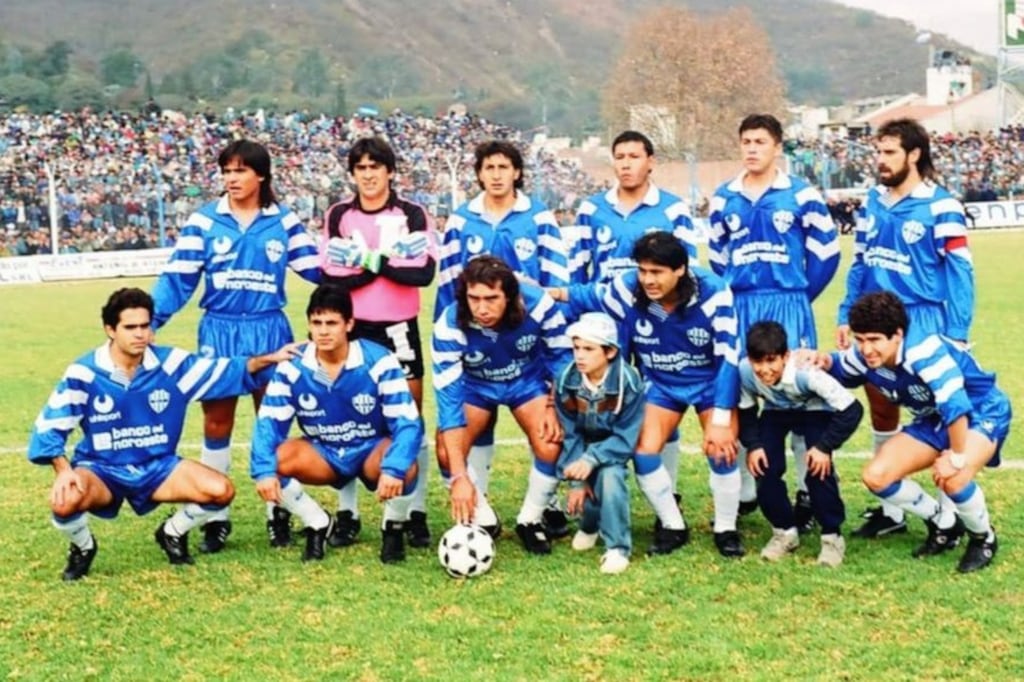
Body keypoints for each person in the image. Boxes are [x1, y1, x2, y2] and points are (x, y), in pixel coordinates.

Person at [27, 288, 298, 581]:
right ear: (110, 330)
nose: (140, 334)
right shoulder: (85, 372)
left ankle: (171, 532)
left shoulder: (170, 365)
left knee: (221, 491)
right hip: (102, 469)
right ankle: (83, 547)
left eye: (145, 326)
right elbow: (49, 426)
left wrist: (271, 358)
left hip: (158, 467)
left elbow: (226, 370)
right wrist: (64, 470)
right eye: (130, 327)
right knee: (64, 501)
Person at [150, 139, 321, 553]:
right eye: (226, 171)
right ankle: (215, 514)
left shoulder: (284, 221)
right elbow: (178, 278)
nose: (231, 179)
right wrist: (151, 320)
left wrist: (367, 282)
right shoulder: (205, 221)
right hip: (220, 331)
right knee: (217, 423)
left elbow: (318, 268)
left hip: (269, 329)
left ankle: (276, 512)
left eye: (240, 171)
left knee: (273, 421)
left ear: (260, 175)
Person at [550, 231, 744, 557]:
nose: (647, 280)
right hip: (662, 384)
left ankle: (726, 528)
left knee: (721, 450)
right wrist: (547, 292)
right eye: (643, 271)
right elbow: (588, 295)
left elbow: (728, 357)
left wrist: (722, 419)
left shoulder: (713, 293)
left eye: (657, 272)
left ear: (680, 269)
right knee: (643, 452)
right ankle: (672, 525)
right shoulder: (627, 289)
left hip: (710, 382)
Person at [836, 118, 973, 539]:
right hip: (877, 324)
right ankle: (890, 513)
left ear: (914, 154)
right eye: (878, 152)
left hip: (925, 320)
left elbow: (961, 271)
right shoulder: (873, 203)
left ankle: (950, 519)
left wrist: (958, 332)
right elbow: (859, 262)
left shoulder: (941, 206)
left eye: (889, 152)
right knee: (882, 409)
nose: (880, 160)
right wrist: (846, 314)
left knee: (941, 414)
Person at [708, 113, 840, 534]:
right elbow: (715, 256)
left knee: (801, 396)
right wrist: (734, 293)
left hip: (788, 303)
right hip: (742, 304)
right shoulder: (723, 196)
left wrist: (800, 296)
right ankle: (749, 486)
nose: (751, 148)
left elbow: (827, 253)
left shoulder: (801, 194)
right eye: (746, 141)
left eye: (760, 141)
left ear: (777, 147)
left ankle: (808, 491)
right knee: (739, 390)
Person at [434, 140, 572, 538]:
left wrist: (552, 398)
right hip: (477, 364)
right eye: (488, 167)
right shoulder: (461, 221)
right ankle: (482, 511)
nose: (495, 174)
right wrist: (460, 322)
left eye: (503, 167)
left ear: (516, 173)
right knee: (455, 441)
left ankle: (541, 512)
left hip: (526, 358)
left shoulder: (540, 217)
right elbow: (448, 283)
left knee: (551, 432)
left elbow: (556, 282)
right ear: (478, 173)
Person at [567, 130, 700, 530]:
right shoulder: (591, 210)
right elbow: (577, 271)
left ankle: (669, 494)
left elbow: (687, 270)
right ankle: (600, 490)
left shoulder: (674, 210)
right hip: (610, 325)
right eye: (619, 156)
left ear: (650, 161)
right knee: (602, 404)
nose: (625, 164)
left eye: (633, 156)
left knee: (663, 402)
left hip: (659, 324)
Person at [821, 292, 1009, 573]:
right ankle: (944, 523)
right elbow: (839, 366)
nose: (866, 349)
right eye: (860, 340)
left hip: (980, 411)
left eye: (873, 340)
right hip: (935, 417)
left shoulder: (923, 351)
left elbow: (957, 407)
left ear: (898, 334)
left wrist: (956, 457)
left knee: (954, 478)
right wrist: (820, 360)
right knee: (876, 476)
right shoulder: (864, 355)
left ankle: (983, 538)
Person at [249, 285, 424, 564]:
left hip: (370, 450)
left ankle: (393, 527)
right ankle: (317, 521)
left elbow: (408, 422)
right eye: (316, 323)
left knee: (406, 464)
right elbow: (268, 423)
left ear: (349, 324)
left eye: (332, 323)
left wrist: (393, 469)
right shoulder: (293, 367)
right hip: (324, 452)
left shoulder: (379, 360)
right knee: (274, 460)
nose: (323, 331)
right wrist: (263, 471)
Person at [321, 136, 438, 551]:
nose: (368, 175)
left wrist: (368, 259)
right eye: (360, 168)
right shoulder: (339, 215)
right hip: (354, 328)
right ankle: (347, 513)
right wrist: (388, 261)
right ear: (352, 174)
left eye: (375, 167)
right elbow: (333, 278)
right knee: (347, 417)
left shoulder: (411, 214)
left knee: (410, 418)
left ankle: (413, 513)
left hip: (399, 326)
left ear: (390, 171)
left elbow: (422, 274)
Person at [433, 255, 571, 555]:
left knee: (550, 442)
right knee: (446, 449)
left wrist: (552, 406)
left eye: (491, 298)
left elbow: (562, 360)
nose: (482, 308)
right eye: (474, 298)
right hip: (476, 387)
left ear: (510, 295)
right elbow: (449, 402)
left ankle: (530, 520)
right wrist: (458, 477)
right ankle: (483, 519)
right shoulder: (449, 322)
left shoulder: (539, 305)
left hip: (527, 381)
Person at [737, 321, 863, 567]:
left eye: (771, 360)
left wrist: (825, 447)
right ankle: (784, 532)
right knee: (764, 467)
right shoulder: (744, 371)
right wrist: (753, 445)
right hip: (777, 410)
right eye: (758, 362)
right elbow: (747, 411)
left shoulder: (806, 372)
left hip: (814, 409)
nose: (764, 369)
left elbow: (852, 409)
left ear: (785, 356)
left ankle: (832, 537)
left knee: (817, 470)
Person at [555, 313, 643, 575]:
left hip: (613, 445)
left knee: (610, 477)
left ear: (611, 352)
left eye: (589, 349)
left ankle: (617, 548)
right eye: (576, 348)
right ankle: (590, 524)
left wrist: (592, 458)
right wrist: (577, 480)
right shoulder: (566, 381)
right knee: (587, 487)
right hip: (581, 444)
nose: (580, 356)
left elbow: (627, 436)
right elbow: (570, 432)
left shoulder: (628, 381)